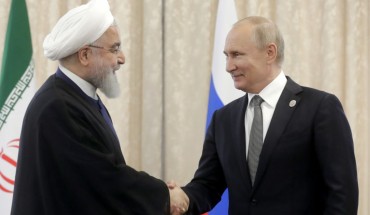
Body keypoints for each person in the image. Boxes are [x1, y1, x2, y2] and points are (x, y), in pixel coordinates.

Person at [11, 0, 188, 214]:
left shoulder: (77, 97)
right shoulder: (57, 107)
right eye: (114, 49)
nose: (121, 58)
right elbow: (103, 181)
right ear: (85, 55)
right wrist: (164, 196)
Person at [176, 16, 359, 214]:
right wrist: (181, 199)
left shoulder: (320, 108)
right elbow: (207, 186)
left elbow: (342, 195)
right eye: (226, 56)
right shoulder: (223, 119)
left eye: (237, 55)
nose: (229, 66)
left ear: (270, 53)